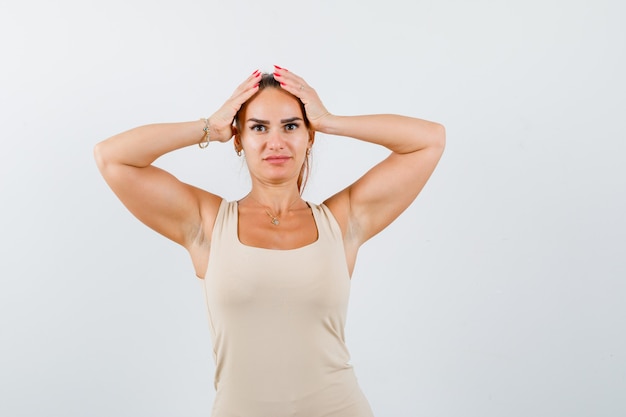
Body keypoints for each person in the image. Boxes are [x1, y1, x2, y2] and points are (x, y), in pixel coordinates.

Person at [94, 65, 445, 417]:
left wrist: (328, 121)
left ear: (309, 137)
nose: (275, 142)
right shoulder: (208, 224)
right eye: (258, 127)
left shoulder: (341, 222)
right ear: (238, 139)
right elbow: (112, 158)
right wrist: (210, 127)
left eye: (291, 126)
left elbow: (429, 140)